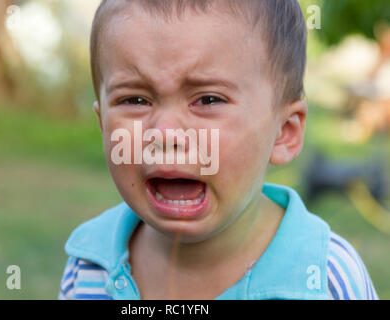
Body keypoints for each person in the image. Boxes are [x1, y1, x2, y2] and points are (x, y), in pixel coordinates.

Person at [58, 0, 378, 300]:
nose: (166, 134)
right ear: (103, 124)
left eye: (208, 100)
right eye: (135, 100)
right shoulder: (89, 264)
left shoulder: (325, 280)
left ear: (284, 132)